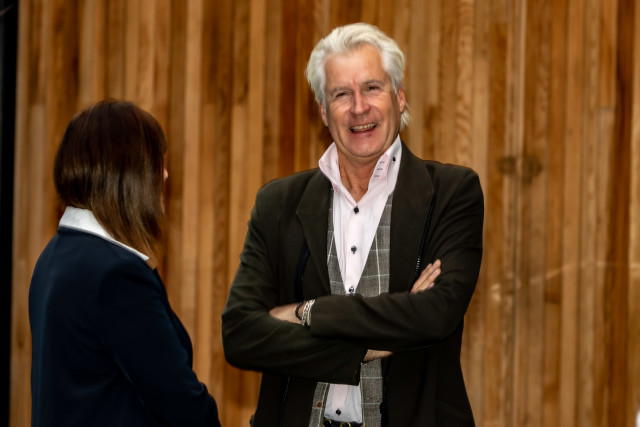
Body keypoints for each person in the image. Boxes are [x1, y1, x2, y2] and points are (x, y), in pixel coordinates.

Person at [222, 22, 483, 427]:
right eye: (341, 94)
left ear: (399, 96)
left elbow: (436, 313)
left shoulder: (451, 193)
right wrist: (373, 343)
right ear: (323, 111)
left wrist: (307, 312)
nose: (359, 107)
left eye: (372, 88)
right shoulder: (278, 203)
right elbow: (241, 335)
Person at [29, 99, 222, 427]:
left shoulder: (53, 257)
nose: (165, 174)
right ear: (126, 173)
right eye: (156, 163)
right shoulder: (116, 277)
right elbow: (185, 409)